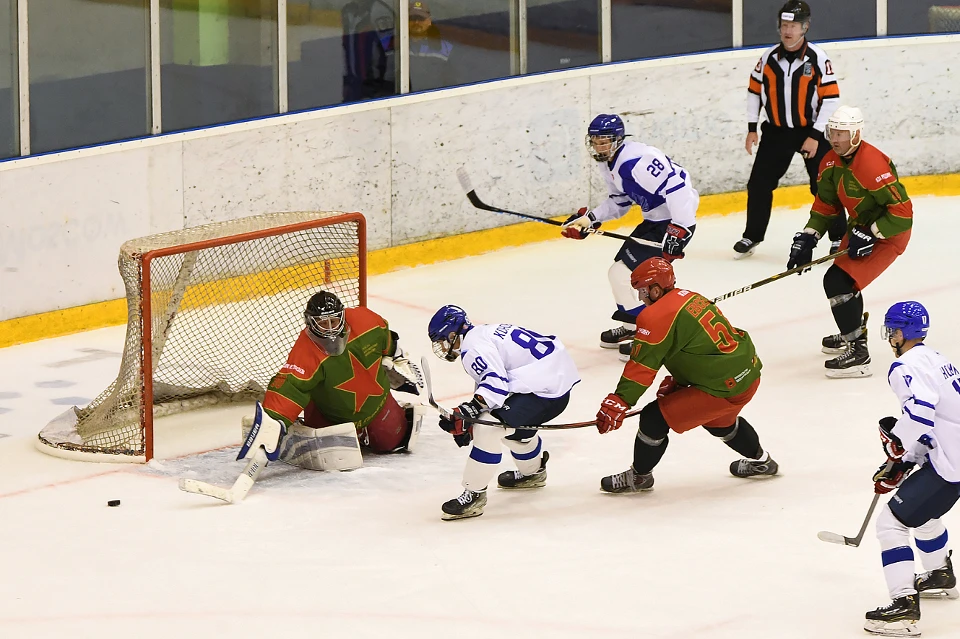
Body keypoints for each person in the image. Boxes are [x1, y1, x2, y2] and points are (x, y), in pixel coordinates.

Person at [594, 257, 777, 493]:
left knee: (653, 418)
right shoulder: (690, 296)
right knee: (720, 423)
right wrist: (681, 381)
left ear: (656, 289)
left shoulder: (654, 316)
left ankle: (639, 477)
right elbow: (700, 345)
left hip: (723, 387)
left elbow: (642, 366)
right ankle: (762, 463)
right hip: (746, 374)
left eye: (642, 291)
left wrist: (620, 400)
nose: (640, 297)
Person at [786, 105, 913, 378]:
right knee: (842, 281)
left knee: (837, 280)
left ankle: (858, 353)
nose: (836, 139)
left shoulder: (871, 163)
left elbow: (903, 214)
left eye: (843, 133)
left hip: (889, 234)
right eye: (833, 132)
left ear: (856, 134)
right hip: (861, 229)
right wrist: (809, 236)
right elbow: (826, 205)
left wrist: (872, 232)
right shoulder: (829, 161)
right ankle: (851, 332)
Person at [561, 113, 699, 361]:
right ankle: (634, 326)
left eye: (605, 141)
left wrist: (682, 228)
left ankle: (651, 334)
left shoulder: (636, 160)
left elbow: (679, 187)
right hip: (654, 221)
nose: (599, 146)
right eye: (595, 141)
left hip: (673, 221)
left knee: (634, 278)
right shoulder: (608, 163)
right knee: (619, 273)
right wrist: (590, 219)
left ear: (618, 139)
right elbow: (620, 202)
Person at [240, 290, 424, 473]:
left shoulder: (366, 322)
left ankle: (386, 418)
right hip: (329, 412)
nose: (330, 329)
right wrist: (275, 421)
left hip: (375, 404)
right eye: (322, 323)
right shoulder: (305, 349)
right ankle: (302, 422)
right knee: (337, 460)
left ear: (342, 317)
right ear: (310, 322)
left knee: (391, 443)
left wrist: (397, 358)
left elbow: (387, 340)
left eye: (334, 321)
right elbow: (292, 386)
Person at [427, 304, 580, 520]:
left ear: (453, 334)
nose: (442, 347)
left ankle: (474, 495)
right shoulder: (482, 333)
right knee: (504, 424)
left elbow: (495, 386)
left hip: (544, 392)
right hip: (553, 384)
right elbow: (491, 386)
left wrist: (470, 414)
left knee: (488, 429)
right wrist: (472, 412)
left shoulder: (472, 347)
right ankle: (533, 473)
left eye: (442, 340)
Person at [862, 302, 959, 636]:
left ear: (900, 333)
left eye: (892, 330)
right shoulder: (936, 358)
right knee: (924, 513)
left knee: (891, 524)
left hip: (953, 462)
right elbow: (939, 420)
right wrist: (907, 461)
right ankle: (938, 575)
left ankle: (903, 607)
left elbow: (920, 414)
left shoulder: (904, 366)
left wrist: (897, 447)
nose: (890, 337)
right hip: (952, 457)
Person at [735, 0, 845, 260]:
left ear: (805, 27)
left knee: (824, 187)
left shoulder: (818, 58)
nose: (788, 30)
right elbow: (754, 92)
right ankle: (753, 235)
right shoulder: (768, 58)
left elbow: (831, 99)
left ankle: (839, 236)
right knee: (759, 184)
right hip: (776, 132)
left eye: (793, 25)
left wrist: (816, 136)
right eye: (784, 25)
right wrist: (752, 128)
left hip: (811, 132)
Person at [407, 0, 455, 92]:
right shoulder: (394, 45)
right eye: (412, 18)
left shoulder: (446, 49)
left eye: (421, 18)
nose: (416, 22)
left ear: (429, 21)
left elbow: (452, 83)